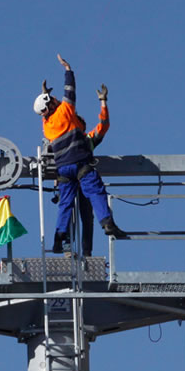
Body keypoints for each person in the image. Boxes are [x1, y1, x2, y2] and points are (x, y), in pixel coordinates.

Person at [34, 54, 126, 255]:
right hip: (81, 166)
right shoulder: (68, 115)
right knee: (95, 193)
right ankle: (107, 223)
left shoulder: (47, 128)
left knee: (66, 206)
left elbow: (45, 113)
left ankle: (60, 241)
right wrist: (68, 70)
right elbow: (70, 92)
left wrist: (44, 95)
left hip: (64, 171)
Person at [74, 83, 110, 256]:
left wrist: (103, 102)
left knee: (87, 218)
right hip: (69, 180)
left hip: (84, 181)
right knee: (68, 212)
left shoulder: (88, 139)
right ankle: (67, 247)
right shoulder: (60, 139)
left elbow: (103, 125)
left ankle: (86, 252)